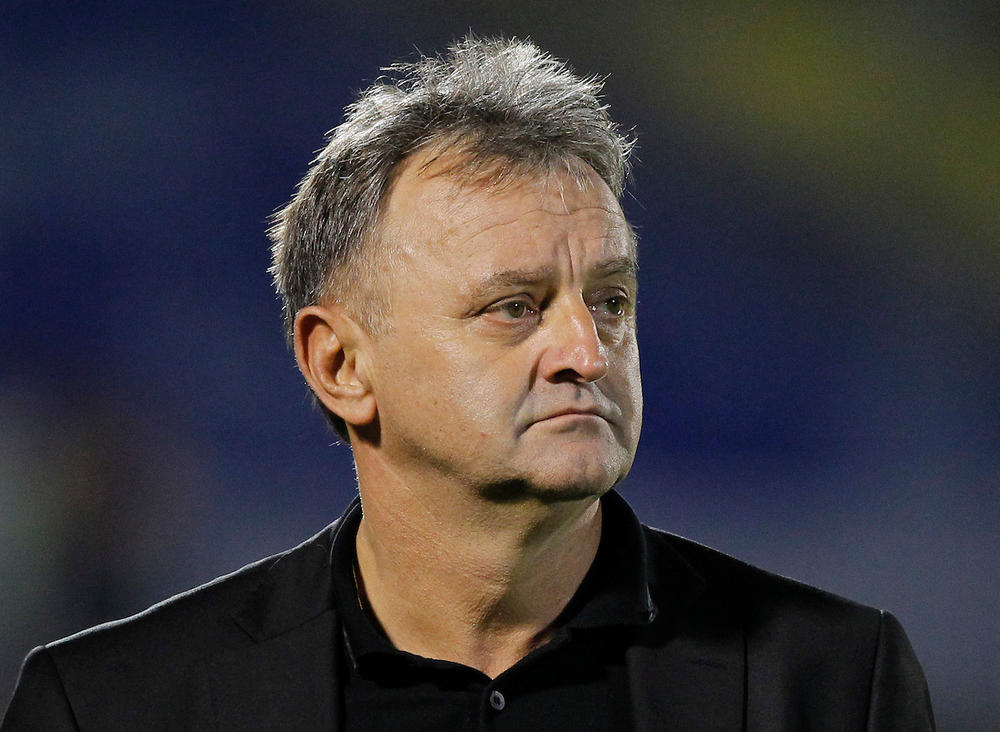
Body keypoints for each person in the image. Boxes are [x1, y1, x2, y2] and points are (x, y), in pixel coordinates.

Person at [2, 36, 934, 731]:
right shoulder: (109, 707)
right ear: (340, 365)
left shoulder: (835, 684)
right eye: (514, 307)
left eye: (610, 301)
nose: (586, 351)